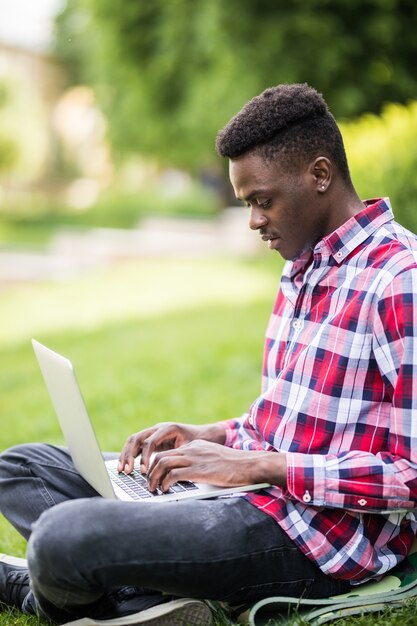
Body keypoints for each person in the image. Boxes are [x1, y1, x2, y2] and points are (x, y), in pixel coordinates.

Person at [1, 82, 417, 626]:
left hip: (312, 537)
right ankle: (140, 591)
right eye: (248, 204)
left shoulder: (399, 280)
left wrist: (256, 465)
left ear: (320, 175)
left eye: (261, 201)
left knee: (62, 535)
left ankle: (57, 588)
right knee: (21, 467)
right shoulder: (303, 268)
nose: (253, 221)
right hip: (249, 494)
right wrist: (210, 436)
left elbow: (409, 474)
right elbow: (287, 418)